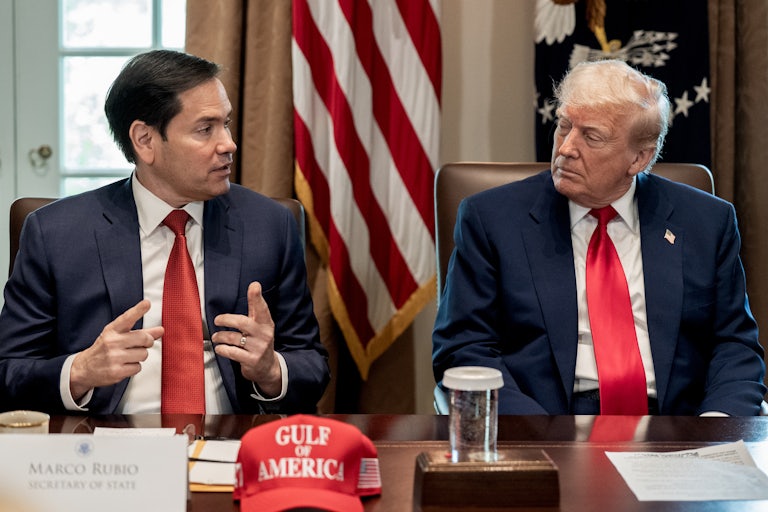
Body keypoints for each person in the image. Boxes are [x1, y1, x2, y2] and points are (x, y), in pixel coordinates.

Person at [0, 49, 329, 415]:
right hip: (105, 451)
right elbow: (9, 371)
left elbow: (312, 366)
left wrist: (270, 370)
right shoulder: (56, 233)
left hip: (228, 443)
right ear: (144, 140)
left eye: (227, 123)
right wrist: (79, 372)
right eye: (205, 129)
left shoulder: (268, 225)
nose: (228, 144)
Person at [433, 59, 766, 416]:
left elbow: (735, 345)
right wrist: (537, 436)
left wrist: (714, 430)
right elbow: (465, 349)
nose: (565, 148)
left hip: (676, 428)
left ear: (639, 158)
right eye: (564, 126)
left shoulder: (705, 222)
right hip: (546, 423)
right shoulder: (492, 220)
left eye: (591, 136)